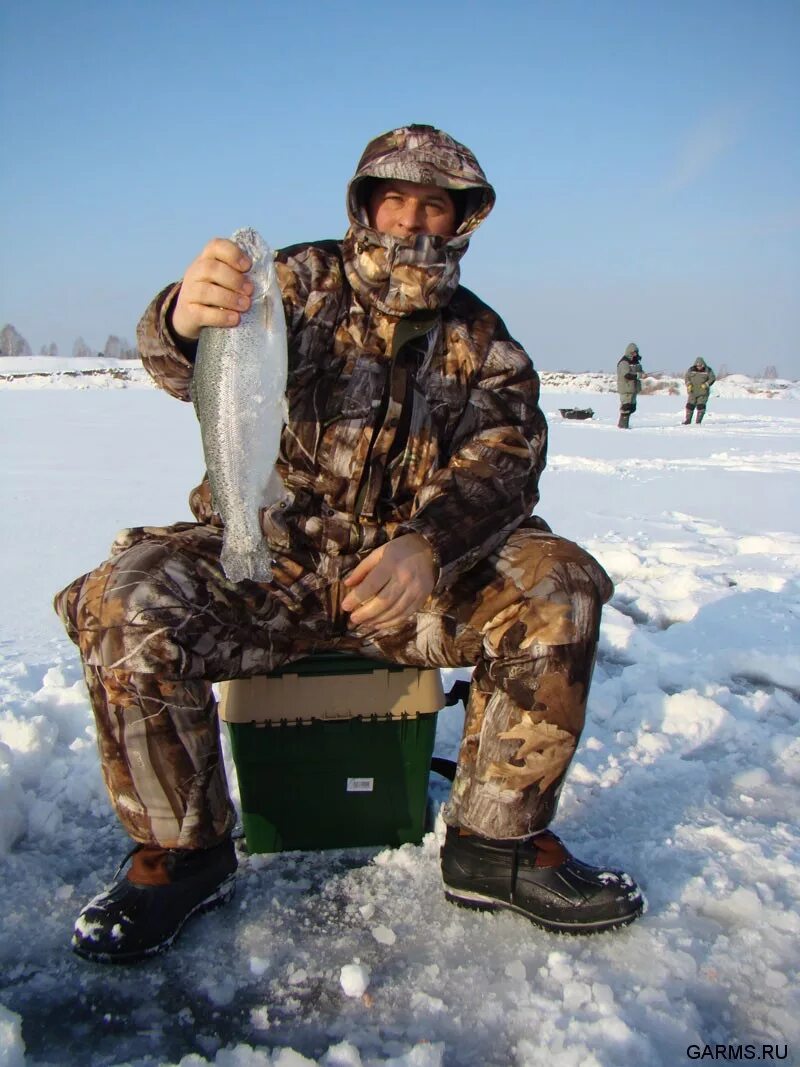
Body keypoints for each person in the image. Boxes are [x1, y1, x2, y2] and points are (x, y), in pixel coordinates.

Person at [55, 124, 644, 964]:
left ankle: (494, 847)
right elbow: (190, 369)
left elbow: (508, 467)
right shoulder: (291, 284)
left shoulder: (487, 341)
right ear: (365, 205)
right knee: (128, 597)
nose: (411, 222)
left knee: (561, 585)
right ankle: (181, 852)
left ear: (461, 222)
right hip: (270, 564)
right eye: (394, 199)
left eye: (434, 206)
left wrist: (429, 545)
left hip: (413, 587)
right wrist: (180, 318)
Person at [616, 343, 644, 428]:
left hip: (633, 388)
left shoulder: (635, 362)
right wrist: (638, 375)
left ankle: (625, 424)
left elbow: (639, 371)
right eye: (633, 353)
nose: (635, 354)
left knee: (632, 407)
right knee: (626, 407)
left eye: (636, 352)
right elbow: (627, 375)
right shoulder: (624, 362)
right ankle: (623, 425)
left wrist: (642, 374)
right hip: (626, 388)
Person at [683, 357, 716, 424]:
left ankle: (698, 421)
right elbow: (687, 377)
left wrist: (706, 384)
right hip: (692, 391)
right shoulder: (691, 369)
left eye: (700, 365)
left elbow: (712, 378)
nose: (699, 367)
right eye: (697, 366)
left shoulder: (708, 370)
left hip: (703, 392)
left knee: (701, 406)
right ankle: (688, 420)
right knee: (690, 406)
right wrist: (688, 384)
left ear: (703, 365)